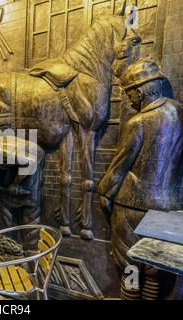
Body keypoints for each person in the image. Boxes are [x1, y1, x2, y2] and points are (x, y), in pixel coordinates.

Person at [98, 58, 183, 299]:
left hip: (132, 207)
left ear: (140, 92)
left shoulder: (138, 122)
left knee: (131, 265)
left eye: (130, 94)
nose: (129, 100)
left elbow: (118, 168)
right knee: (156, 270)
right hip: (170, 207)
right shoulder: (180, 113)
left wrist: (103, 194)